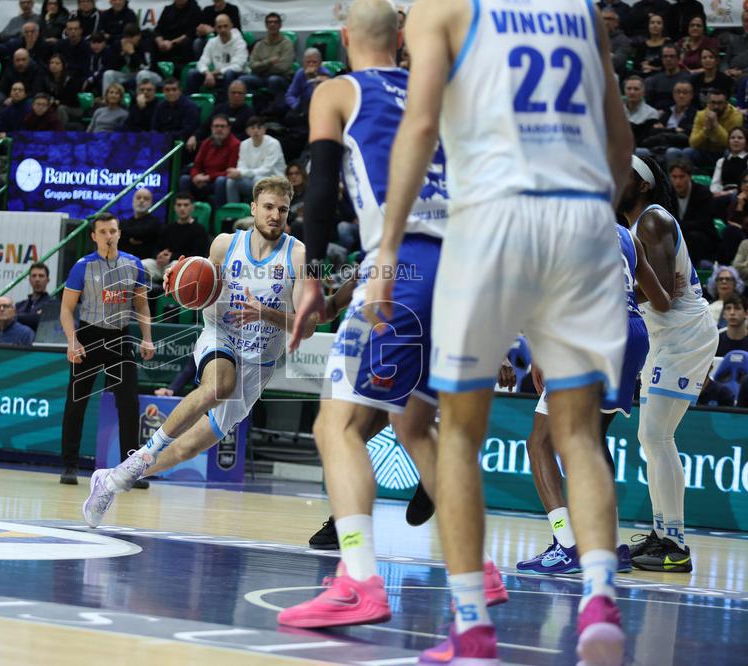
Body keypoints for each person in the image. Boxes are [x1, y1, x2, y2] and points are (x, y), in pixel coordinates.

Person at [358, 0, 635, 662]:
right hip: (583, 222)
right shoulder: (584, 12)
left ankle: (472, 624)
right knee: (577, 430)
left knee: (456, 431)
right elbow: (619, 141)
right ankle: (599, 593)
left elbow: (420, 126)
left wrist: (388, 248)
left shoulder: (442, 10)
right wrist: (592, 220)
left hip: (493, 219)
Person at [277, 0, 506, 628]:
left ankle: (357, 581)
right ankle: (479, 568)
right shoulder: (435, 88)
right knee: (414, 424)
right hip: (467, 267)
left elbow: (321, 191)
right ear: (402, 37)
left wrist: (313, 278)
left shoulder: (337, 91)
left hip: (404, 266)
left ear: (345, 35)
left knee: (338, 426)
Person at [81, 177, 309, 524]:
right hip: (221, 335)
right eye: (268, 207)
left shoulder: (295, 254)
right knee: (218, 386)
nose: (275, 215)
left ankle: (113, 479)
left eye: (282, 209)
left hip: (258, 363)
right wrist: (178, 274)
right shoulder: (224, 245)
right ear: (253, 209)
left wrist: (264, 313)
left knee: (187, 448)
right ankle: (142, 456)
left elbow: (305, 326)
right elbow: (197, 281)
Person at [516, 218, 675, 576]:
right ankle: (610, 545)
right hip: (632, 333)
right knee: (591, 438)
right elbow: (662, 299)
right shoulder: (625, 235)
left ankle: (567, 544)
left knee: (539, 442)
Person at [621, 154, 718, 574]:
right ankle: (663, 535)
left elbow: (660, 295)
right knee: (652, 438)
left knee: (656, 436)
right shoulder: (634, 227)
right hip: (666, 334)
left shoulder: (653, 220)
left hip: (683, 333)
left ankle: (675, 544)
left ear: (642, 184)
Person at [59, 212, 155, 486]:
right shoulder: (82, 267)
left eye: (112, 231)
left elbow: (142, 305)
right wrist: (72, 340)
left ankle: (129, 470)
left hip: (120, 337)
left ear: (119, 233)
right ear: (94, 236)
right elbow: (67, 309)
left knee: (129, 404)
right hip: (88, 336)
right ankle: (69, 465)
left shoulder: (134, 264)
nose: (108, 236)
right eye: (102, 232)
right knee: (76, 403)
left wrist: (147, 337)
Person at [141, 191, 210, 284]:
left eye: (186, 205)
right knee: (140, 264)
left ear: (192, 207)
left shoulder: (199, 230)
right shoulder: (168, 228)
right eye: (179, 205)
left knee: (176, 265)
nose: (182, 208)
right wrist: (159, 255)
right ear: (174, 207)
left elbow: (198, 255)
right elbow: (156, 247)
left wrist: (172, 257)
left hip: (182, 265)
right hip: (162, 265)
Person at [179, 114, 239, 205]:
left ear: (229, 128)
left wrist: (208, 178)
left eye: (222, 126)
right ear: (211, 128)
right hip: (202, 179)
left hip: (217, 181)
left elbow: (230, 171)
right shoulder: (206, 143)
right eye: (216, 126)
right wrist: (195, 177)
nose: (219, 129)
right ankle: (185, 211)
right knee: (184, 179)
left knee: (221, 181)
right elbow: (196, 165)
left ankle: (218, 214)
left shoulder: (235, 145)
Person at [225, 116, 284, 204]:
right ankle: (234, 212)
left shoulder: (273, 144)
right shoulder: (244, 144)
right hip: (252, 180)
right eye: (252, 128)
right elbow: (241, 166)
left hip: (274, 182)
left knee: (258, 180)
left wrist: (241, 173)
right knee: (231, 181)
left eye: (259, 128)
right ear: (247, 131)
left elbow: (267, 169)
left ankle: (260, 214)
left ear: (264, 130)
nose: (256, 130)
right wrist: (238, 173)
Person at [186, 14, 247, 95]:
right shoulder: (212, 42)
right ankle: (192, 103)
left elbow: (237, 66)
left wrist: (214, 73)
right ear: (215, 28)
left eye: (225, 26)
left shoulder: (240, 43)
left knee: (229, 73)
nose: (223, 30)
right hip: (216, 76)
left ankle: (227, 104)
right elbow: (202, 62)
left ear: (231, 26)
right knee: (192, 73)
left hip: (236, 76)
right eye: (219, 27)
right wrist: (207, 73)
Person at [240, 12, 294, 96]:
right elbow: (252, 65)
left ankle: (274, 106)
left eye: (275, 22)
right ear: (266, 25)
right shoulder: (259, 44)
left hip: (281, 78)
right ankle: (256, 104)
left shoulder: (287, 44)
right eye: (269, 22)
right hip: (261, 77)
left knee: (273, 80)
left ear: (280, 25)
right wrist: (269, 62)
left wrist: (261, 66)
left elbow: (283, 68)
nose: (272, 25)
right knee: (242, 80)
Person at [119, 187, 161, 259]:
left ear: (151, 203)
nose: (141, 201)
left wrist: (128, 236)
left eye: (146, 198)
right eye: (138, 198)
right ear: (133, 201)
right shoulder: (125, 222)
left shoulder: (155, 223)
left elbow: (142, 232)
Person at [15, 261, 56, 331]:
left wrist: (17, 316)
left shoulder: (53, 304)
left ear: (47, 280)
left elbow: (39, 321)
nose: (37, 279)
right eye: (34, 276)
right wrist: (34, 316)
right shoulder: (19, 305)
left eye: (41, 276)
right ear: (29, 280)